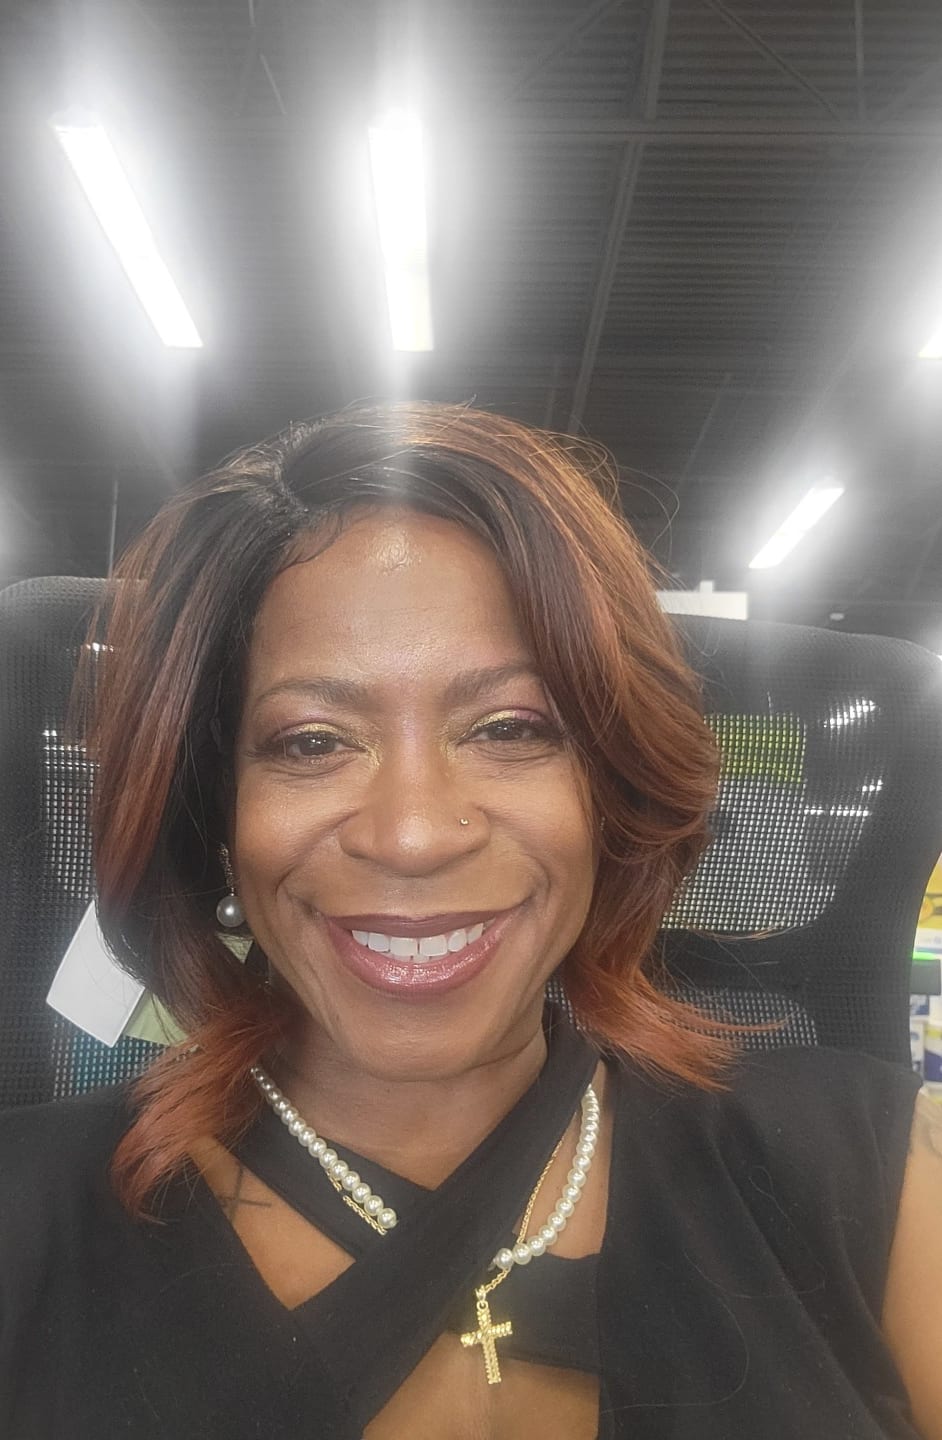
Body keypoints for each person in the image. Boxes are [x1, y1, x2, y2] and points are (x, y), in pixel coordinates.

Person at [0, 401, 939, 1440]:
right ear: (217, 813)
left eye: (511, 728)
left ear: (611, 790)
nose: (412, 835)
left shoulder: (877, 1163)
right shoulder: (27, 1216)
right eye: (312, 742)